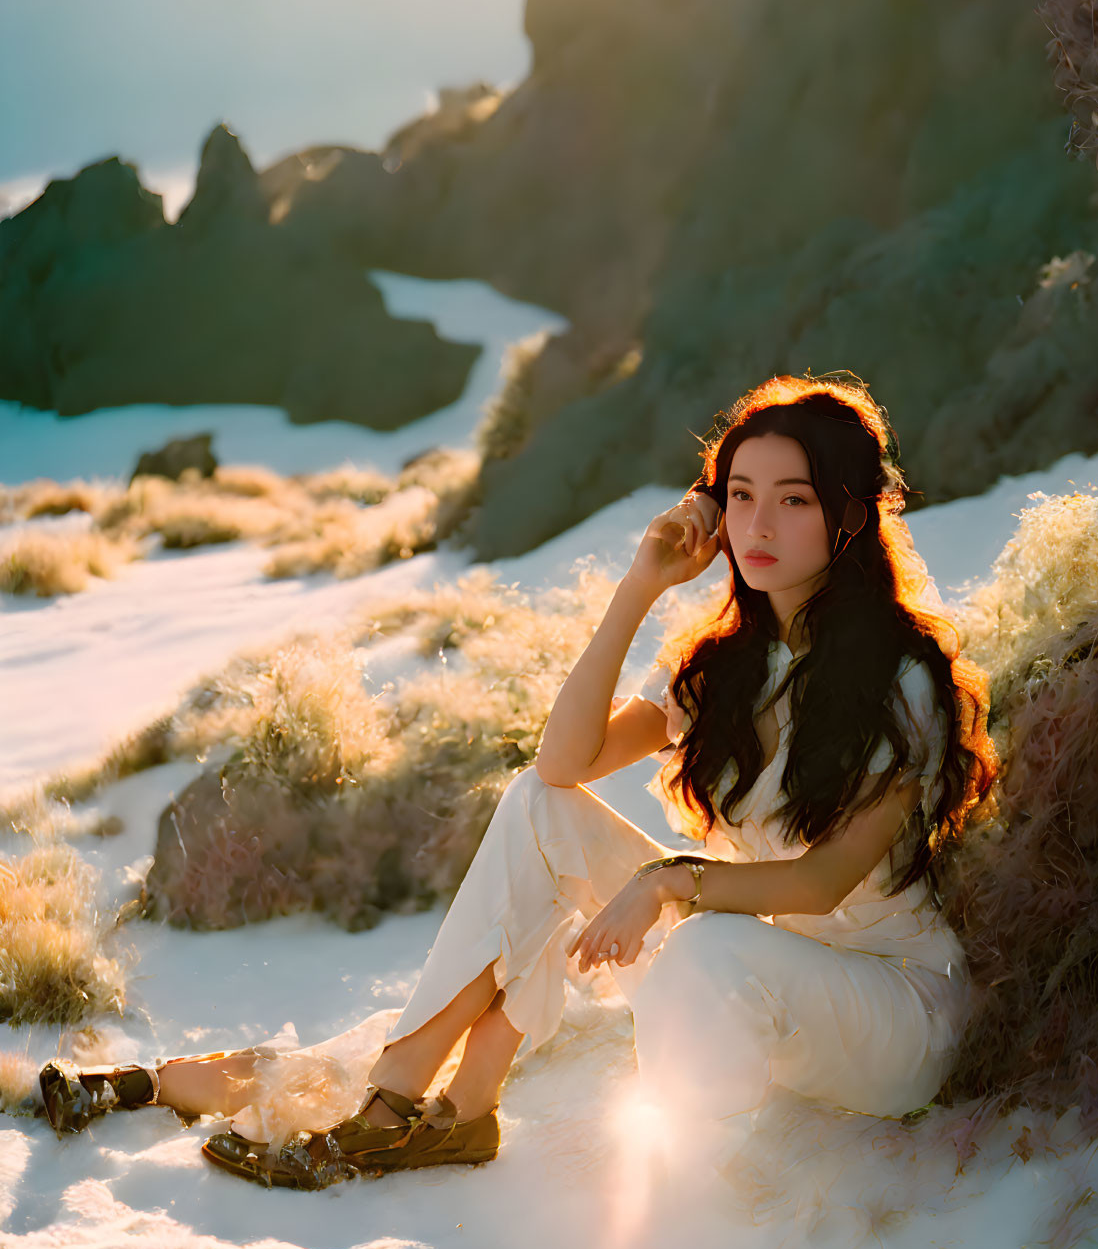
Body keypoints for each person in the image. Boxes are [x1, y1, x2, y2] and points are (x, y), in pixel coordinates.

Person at [39, 373, 997, 1191]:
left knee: (703, 947)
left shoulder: (899, 677)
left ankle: (666, 1193)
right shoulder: (730, 669)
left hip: (888, 1010)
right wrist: (638, 587)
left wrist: (667, 879)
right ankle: (425, 1096)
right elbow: (562, 765)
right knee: (537, 807)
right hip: (756, 977)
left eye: (792, 498)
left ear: (847, 512)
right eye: (739, 494)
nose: (757, 522)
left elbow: (824, 883)